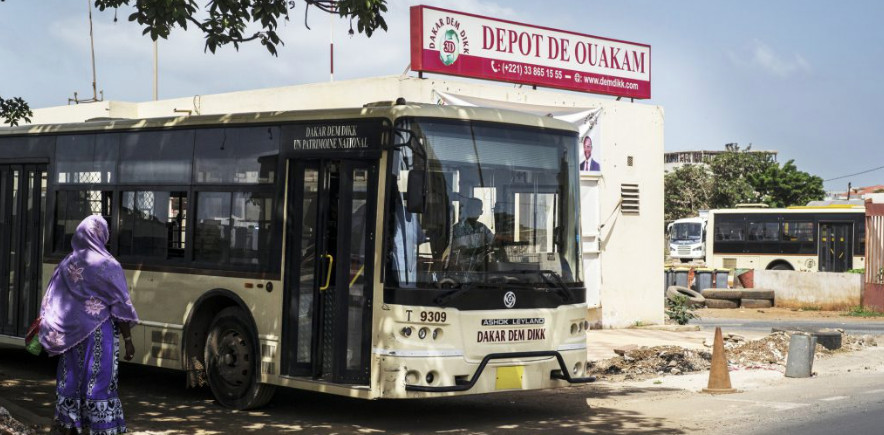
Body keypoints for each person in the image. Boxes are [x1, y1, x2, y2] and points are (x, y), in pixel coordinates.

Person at [39, 215, 139, 435]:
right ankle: (100, 427)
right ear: (103, 236)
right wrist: (128, 340)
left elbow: (51, 300)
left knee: (71, 379)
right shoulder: (109, 265)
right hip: (100, 334)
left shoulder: (67, 263)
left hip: (70, 337)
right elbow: (120, 305)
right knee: (99, 381)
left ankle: (69, 424)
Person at [450, 198, 495, 271]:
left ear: (481, 212)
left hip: (482, 270)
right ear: (467, 209)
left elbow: (493, 242)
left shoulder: (483, 228)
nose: (475, 212)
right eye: (473, 208)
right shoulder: (456, 229)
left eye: (478, 209)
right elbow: (451, 253)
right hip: (460, 271)